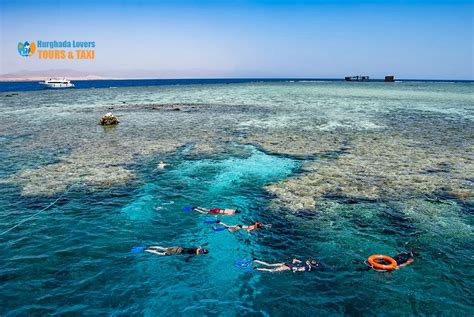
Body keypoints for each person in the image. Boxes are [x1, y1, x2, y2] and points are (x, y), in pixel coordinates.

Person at [144, 245, 208, 262]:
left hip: (177, 247)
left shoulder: (196, 248)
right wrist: (186, 261)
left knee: (163, 248)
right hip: (176, 252)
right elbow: (188, 258)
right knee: (161, 254)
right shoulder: (195, 254)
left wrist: (201, 248)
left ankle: (150, 246)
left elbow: (200, 247)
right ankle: (147, 250)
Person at [252, 258, 320, 272]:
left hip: (286, 263)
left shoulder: (304, 261)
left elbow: (294, 259)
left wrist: (295, 263)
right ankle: (257, 268)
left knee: (269, 264)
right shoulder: (306, 267)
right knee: (271, 270)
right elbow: (299, 269)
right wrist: (295, 270)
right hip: (287, 267)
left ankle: (256, 260)